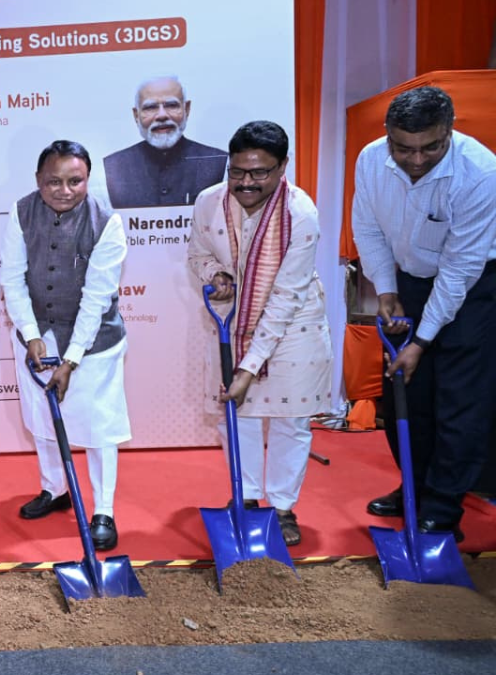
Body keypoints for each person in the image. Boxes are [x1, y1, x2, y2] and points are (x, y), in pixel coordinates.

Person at [352, 86, 496, 541]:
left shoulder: (481, 173)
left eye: (430, 147)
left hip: (474, 287)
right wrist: (387, 290)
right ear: (387, 135)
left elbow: (460, 270)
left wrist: (420, 341)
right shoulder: (372, 159)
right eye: (403, 147)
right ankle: (413, 487)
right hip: (409, 280)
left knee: (459, 400)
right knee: (406, 393)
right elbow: (368, 228)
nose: (416, 160)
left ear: (449, 132)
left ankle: (442, 506)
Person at [187, 121, 332, 546]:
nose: (246, 183)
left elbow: (286, 295)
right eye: (238, 172)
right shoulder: (209, 202)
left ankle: (283, 508)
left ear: (283, 166)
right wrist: (217, 274)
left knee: (291, 420)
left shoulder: (299, 214)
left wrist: (250, 367)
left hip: (295, 324)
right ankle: (247, 500)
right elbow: (196, 253)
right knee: (240, 417)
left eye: (260, 173)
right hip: (234, 321)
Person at [0, 140, 131, 551]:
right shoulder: (21, 212)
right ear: (38, 180)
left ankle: (103, 511)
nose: (64, 190)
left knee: (98, 429)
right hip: (38, 334)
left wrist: (71, 360)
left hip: (94, 343)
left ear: (88, 180)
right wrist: (31, 333)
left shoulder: (107, 222)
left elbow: (96, 297)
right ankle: (54, 489)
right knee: (42, 419)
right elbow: (12, 279)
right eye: (53, 181)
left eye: (75, 181)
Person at [102, 76, 227, 209]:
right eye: (150, 107)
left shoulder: (220, 163)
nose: (162, 115)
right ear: (136, 115)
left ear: (187, 109)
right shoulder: (111, 168)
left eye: (172, 105)